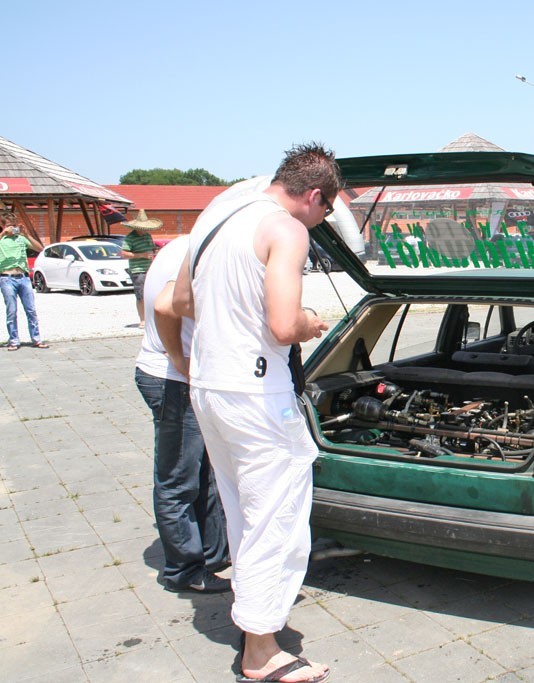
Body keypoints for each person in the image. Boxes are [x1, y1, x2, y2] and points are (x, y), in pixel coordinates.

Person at [172, 143, 335, 683]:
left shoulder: (215, 218)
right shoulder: (286, 229)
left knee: (242, 511)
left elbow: (180, 301)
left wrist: (231, 314)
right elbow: (284, 327)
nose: (322, 220)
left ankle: (255, 621)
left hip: (210, 387)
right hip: (257, 393)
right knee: (277, 519)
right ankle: (261, 653)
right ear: (314, 195)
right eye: (327, 210)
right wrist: (311, 320)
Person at [135, 236, 230, 594]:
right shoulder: (203, 249)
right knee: (179, 479)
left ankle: (212, 556)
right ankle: (184, 571)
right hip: (172, 380)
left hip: (178, 379)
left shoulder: (188, 243)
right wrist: (178, 359)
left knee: (203, 473)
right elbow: (164, 306)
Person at [1, 211, 48, 350]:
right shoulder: (2, 239)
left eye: (14, 225)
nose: (12, 228)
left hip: (24, 278)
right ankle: (14, 340)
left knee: (31, 310)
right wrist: (3, 233)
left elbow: (40, 248)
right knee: (11, 311)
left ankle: (36, 339)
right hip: (7, 278)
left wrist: (27, 235)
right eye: (9, 225)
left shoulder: (21, 238)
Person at [121, 209, 161, 328]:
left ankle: (150, 318)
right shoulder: (130, 238)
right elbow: (124, 253)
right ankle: (143, 319)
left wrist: (156, 251)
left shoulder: (147, 235)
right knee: (141, 295)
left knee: (151, 293)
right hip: (138, 270)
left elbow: (151, 249)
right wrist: (142, 255)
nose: (146, 229)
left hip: (149, 268)